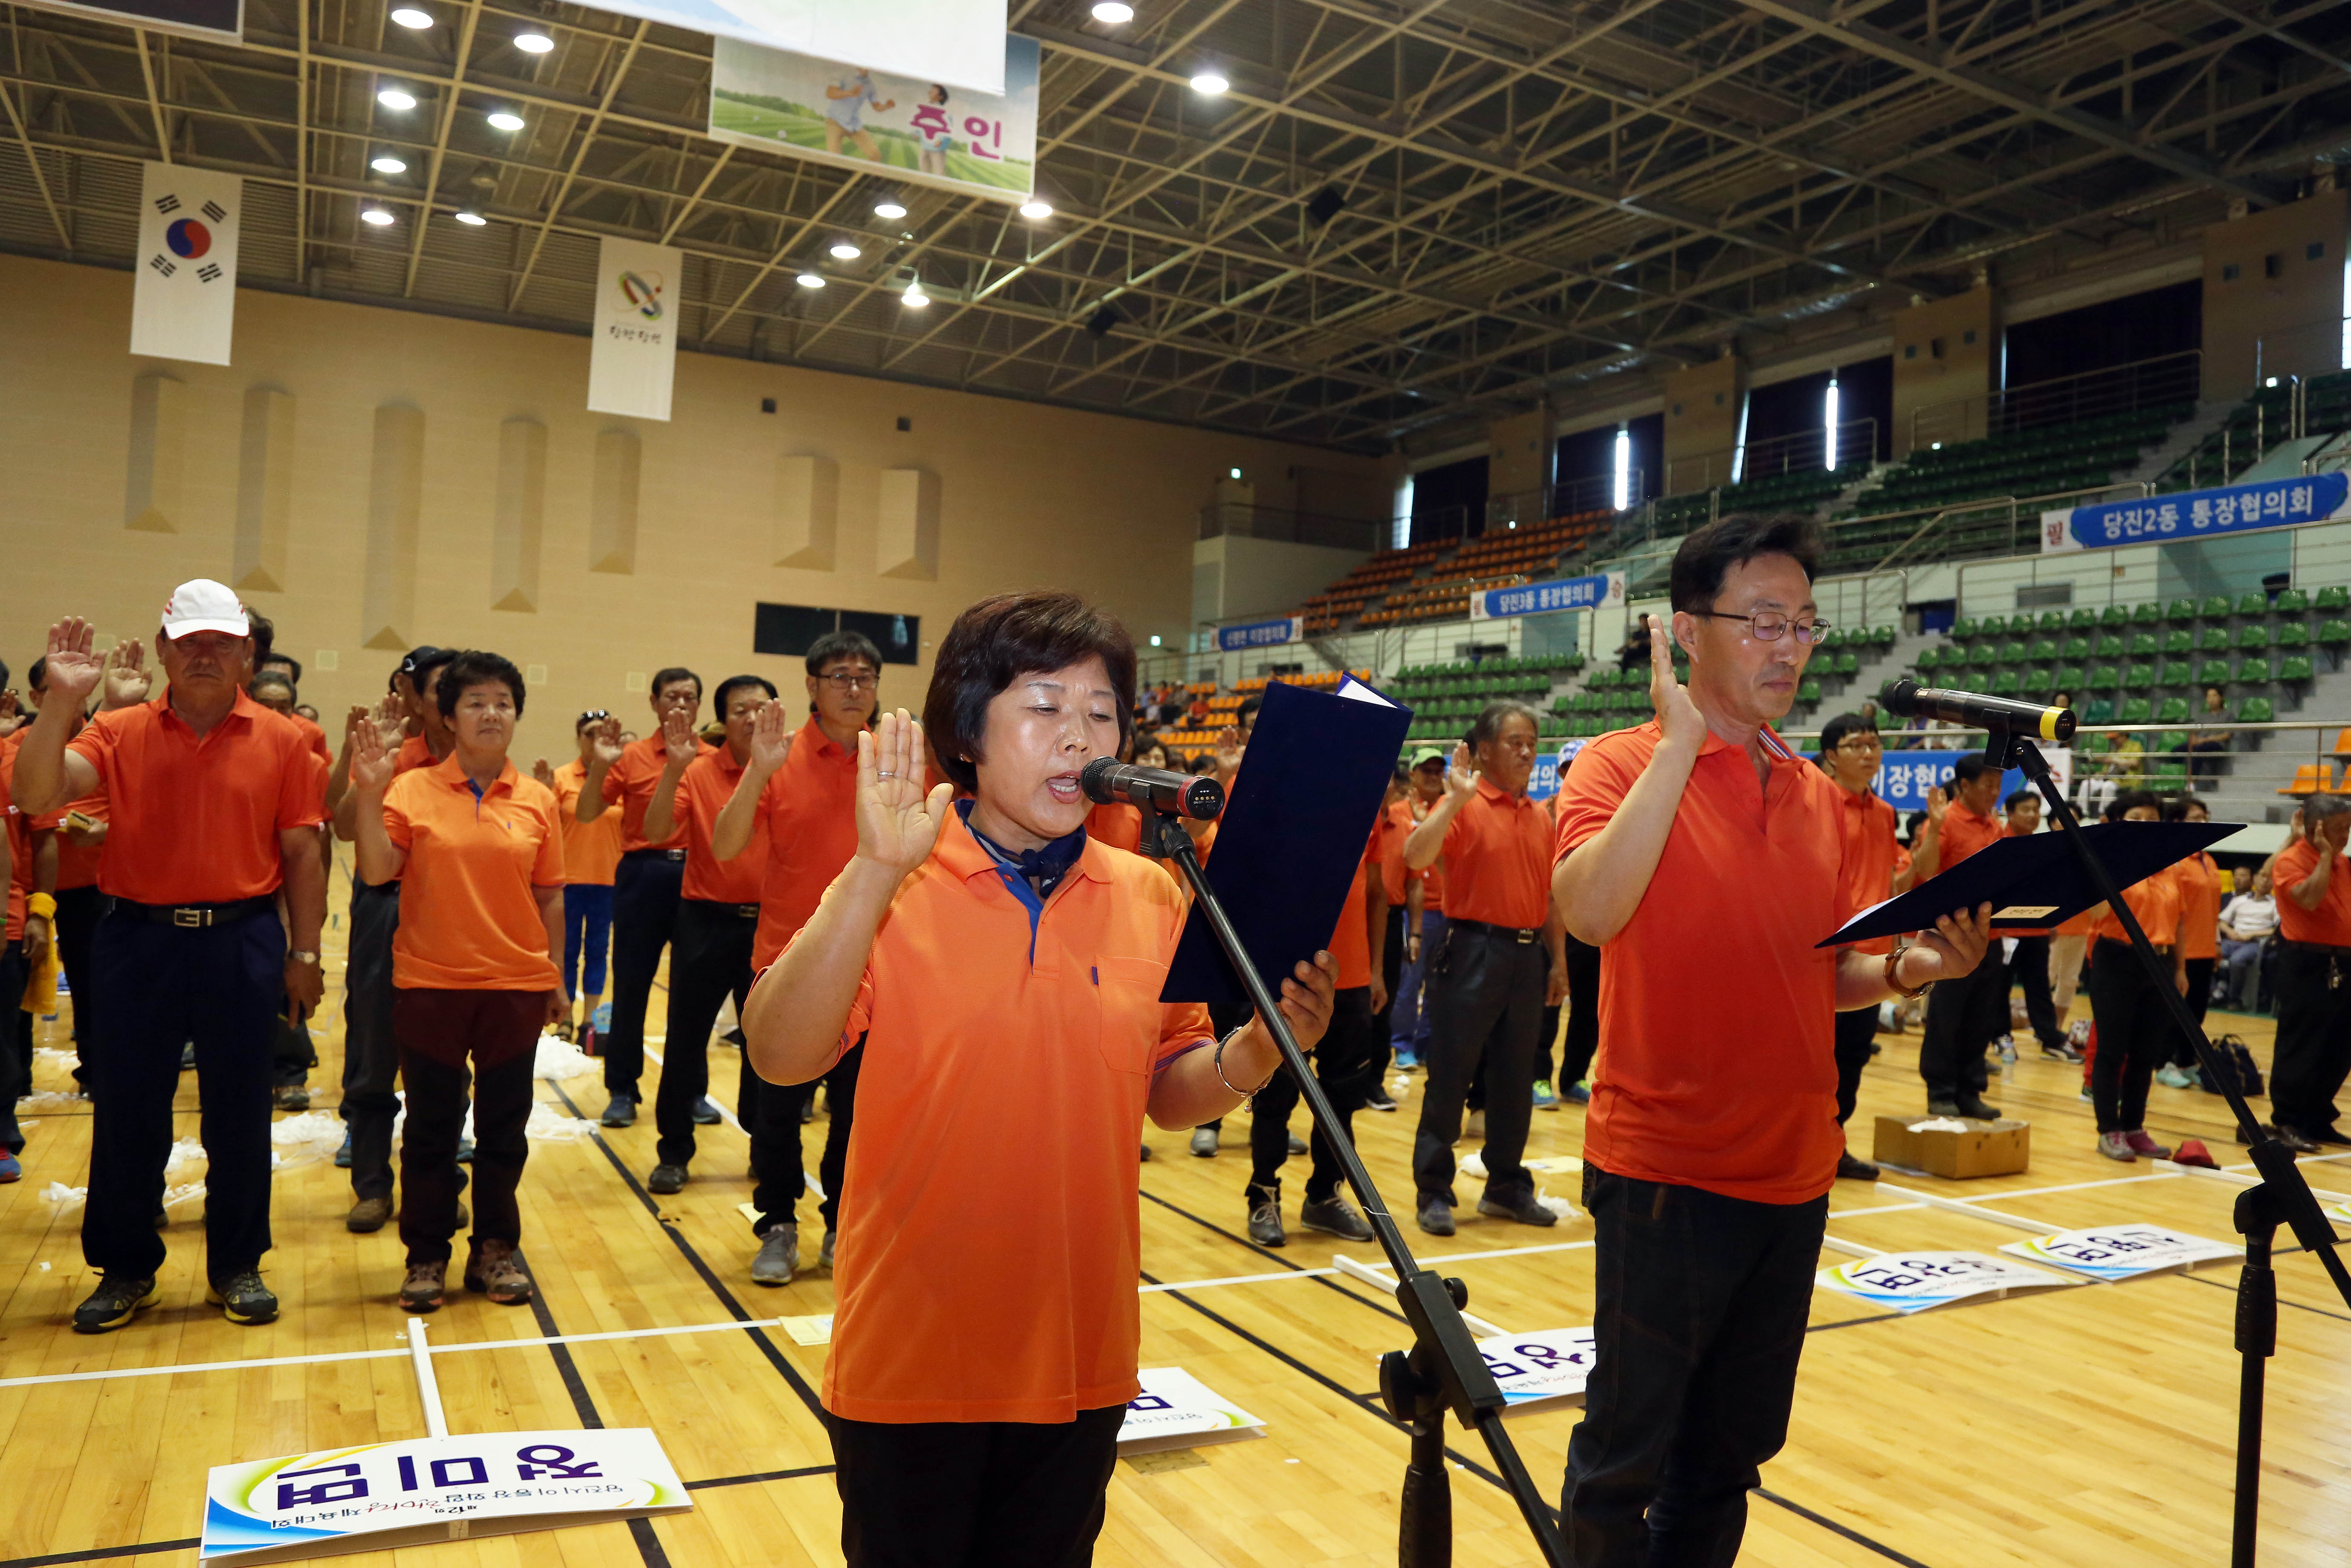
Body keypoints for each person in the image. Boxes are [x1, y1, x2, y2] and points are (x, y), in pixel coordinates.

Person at [742, 590, 1335, 1568]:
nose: (1078, 737)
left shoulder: (1148, 891)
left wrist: (1258, 1054)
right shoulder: (892, 882)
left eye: (1100, 713)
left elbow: (1164, 1086)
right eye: (1045, 707)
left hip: (1080, 1358)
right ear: (968, 730)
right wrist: (871, 875)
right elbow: (779, 1053)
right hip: (914, 1357)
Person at [1550, 516, 1988, 1565]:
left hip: (1791, 1174)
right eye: (1759, 622)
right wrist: (1673, 750)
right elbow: (1588, 910)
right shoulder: (1614, 767)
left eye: (1802, 623)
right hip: (1665, 1168)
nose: (1787, 646)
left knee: (1727, 1458)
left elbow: (1821, 969)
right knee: (1623, 1458)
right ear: (1685, 632)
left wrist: (1908, 969)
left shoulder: (1821, 801)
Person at [17, 586, 328, 1332]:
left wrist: (306, 950)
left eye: (222, 641)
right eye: (189, 641)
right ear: (161, 649)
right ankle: (125, 1268)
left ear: (247, 653)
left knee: (240, 1111)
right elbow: (35, 795)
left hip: (242, 938)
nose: (204, 654)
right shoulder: (119, 731)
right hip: (138, 941)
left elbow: (302, 850)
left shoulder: (287, 740)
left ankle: (238, 1263)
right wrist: (63, 703)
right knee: (128, 1109)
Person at [348, 650, 566, 1309]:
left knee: (505, 1128)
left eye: (503, 701)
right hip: (431, 984)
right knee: (432, 1129)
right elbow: (377, 869)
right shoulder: (408, 788)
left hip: (514, 987)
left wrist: (555, 976)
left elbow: (551, 894)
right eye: (475, 702)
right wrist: (366, 788)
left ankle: (496, 1249)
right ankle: (426, 1255)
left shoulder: (537, 800)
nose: (491, 712)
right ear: (448, 715)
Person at [715, 630, 885, 1280]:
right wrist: (757, 770)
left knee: (858, 1109)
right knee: (777, 1107)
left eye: (865, 676)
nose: (854, 687)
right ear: (811, 685)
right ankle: (778, 1221)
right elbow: (727, 845)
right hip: (784, 963)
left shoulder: (893, 757)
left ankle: (843, 1221)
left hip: (875, 966)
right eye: (839, 675)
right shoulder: (778, 757)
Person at [1401, 700, 1568, 1236]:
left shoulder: (1541, 815)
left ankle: (1506, 1187)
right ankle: (1434, 1190)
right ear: (1486, 751)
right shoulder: (1464, 806)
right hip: (1471, 949)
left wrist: (1559, 962)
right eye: (1516, 741)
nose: (1526, 750)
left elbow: (1551, 897)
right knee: (1451, 1074)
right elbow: (1414, 856)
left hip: (1527, 956)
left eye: (1533, 742)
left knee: (1517, 1079)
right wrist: (1452, 801)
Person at [330, 646, 456, 1232]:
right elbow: (342, 826)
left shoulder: (479, 766)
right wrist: (366, 770)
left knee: (446, 1061)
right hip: (387, 905)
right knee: (375, 1050)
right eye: (434, 689)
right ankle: (372, 1184)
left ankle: (436, 1184)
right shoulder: (393, 753)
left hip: (454, 911)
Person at [639, 674, 777, 1196]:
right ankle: (673, 1151)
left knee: (763, 1045)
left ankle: (765, 1148)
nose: (751, 717)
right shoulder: (697, 771)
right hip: (704, 921)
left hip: (770, 925)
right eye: (741, 709)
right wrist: (673, 771)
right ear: (723, 719)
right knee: (685, 1042)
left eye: (761, 708)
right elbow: (655, 833)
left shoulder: (783, 771)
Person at [1246, 811, 1384, 1247]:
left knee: (1343, 1099)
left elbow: (1377, 892)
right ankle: (1263, 1194)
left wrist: (1377, 968)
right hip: (1289, 976)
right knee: (1275, 1096)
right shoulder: (1280, 799)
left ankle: (1324, 1197)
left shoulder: (1368, 805)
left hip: (1355, 976)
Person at [582, 668, 710, 1128]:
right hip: (643, 874)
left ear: (699, 705)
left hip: (701, 875)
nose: (681, 705)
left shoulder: (713, 758)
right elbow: (586, 811)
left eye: (689, 698)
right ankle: (621, 1088)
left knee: (694, 996)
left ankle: (692, 1091)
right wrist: (600, 764)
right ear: (654, 703)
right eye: (672, 697)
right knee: (632, 986)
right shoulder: (630, 756)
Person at [1815, 711, 1922, 1181]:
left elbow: (1893, 879)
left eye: (1874, 744)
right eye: (1857, 744)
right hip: (1823, 953)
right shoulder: (1815, 804)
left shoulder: (1884, 812)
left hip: (1872, 954)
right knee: (1812, 1061)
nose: (1868, 753)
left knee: (1853, 1058)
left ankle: (1833, 1145)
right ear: (1831, 756)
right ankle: (1802, 1147)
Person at [2084, 790, 2187, 1161]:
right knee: (2112, 1052)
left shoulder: (2171, 864)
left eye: (2151, 817)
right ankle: (2108, 1131)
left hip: (2158, 964)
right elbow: (2095, 914)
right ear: (2119, 823)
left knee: (2146, 1053)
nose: (2145, 824)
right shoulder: (2109, 861)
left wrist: (2180, 968)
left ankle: (2134, 1127)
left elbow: (2179, 919)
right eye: (2136, 817)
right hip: (2117, 959)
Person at [1910, 752, 2009, 1118]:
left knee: (1980, 1018)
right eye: (1988, 786)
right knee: (1946, 1018)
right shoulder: (1945, 821)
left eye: (1998, 786)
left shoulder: (1994, 824)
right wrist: (1934, 828)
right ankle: (1941, 1090)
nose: (1994, 793)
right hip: (1950, 938)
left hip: (1990, 938)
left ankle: (1970, 1090)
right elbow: (1926, 870)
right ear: (1964, 785)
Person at [24, 656, 105, 1099]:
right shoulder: (21, 744)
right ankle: (16, 1083)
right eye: (54, 690)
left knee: (94, 985)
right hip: (28, 885)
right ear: (38, 697)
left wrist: (101, 830)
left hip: (90, 888)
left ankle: (95, 1072)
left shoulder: (101, 741)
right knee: (18, 989)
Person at [2267, 792, 2351, 1151]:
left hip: (2345, 964)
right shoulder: (2290, 862)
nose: (2345, 837)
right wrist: (2325, 856)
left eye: (2348, 829)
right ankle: (2287, 1120)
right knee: (2301, 1043)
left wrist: (2334, 856)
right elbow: (2310, 899)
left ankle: (2316, 1117)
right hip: (2306, 964)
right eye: (2337, 830)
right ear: (2315, 827)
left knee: (2339, 1046)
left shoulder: (2345, 865)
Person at [538, 712, 623, 1040]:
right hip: (568, 881)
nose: (596, 738)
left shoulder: (618, 781)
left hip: (608, 880)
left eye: (603, 733)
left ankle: (592, 1020)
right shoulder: (560, 778)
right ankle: (566, 1017)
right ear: (578, 738)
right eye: (590, 733)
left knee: (600, 952)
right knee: (568, 951)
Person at [1387, 747, 1450, 1072]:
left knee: (1439, 986)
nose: (1434, 776)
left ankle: (1426, 1045)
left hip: (1450, 911)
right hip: (1415, 912)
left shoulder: (1451, 810)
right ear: (1412, 775)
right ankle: (1402, 1045)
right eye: (1427, 770)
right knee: (1409, 983)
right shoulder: (1395, 813)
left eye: (1439, 770)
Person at [2157, 795, 2222, 1087]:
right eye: (2196, 818)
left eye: (2205, 817)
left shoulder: (2208, 860)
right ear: (2177, 823)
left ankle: (2185, 1061)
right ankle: (2164, 1063)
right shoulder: (2173, 861)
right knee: (2172, 1013)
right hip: (2181, 947)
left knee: (2197, 1012)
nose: (2203, 823)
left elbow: (2214, 906)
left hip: (2206, 947)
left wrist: (2217, 941)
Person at [2000, 789, 2069, 1061]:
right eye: (2025, 810)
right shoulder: (1998, 843)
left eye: (2035, 810)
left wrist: (2051, 922)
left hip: (2037, 931)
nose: (2032, 815)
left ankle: (2050, 1038)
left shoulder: (2042, 845)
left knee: (2039, 987)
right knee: (1999, 988)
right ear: (2011, 812)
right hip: (2005, 933)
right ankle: (2000, 1035)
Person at [2218, 865, 2277, 1011]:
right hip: (2232, 939)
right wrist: (2230, 932)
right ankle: (2215, 994)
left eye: (2269, 880)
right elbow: (2223, 922)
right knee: (2210, 955)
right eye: (2262, 878)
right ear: (2255, 880)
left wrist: (2252, 934)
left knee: (2237, 961)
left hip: (2254, 943)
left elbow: (2276, 929)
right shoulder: (2240, 900)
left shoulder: (2275, 904)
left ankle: (2234, 1000)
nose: (2265, 882)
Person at [822, 68, 896, 160]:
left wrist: (886, 106)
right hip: (835, 121)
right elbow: (830, 93)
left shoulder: (870, 86)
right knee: (833, 158)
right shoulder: (844, 75)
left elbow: (876, 107)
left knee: (875, 155)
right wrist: (850, 93)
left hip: (854, 124)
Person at [2186, 686, 2233, 779]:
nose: (2211, 699)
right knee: (2177, 751)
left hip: (2217, 744)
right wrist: (2193, 739)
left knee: (2198, 750)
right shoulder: (2201, 716)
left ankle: (2192, 782)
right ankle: (2176, 781)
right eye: (2209, 696)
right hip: (2200, 743)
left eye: (2214, 696)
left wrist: (2205, 740)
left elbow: (2228, 735)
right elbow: (2193, 731)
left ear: (2221, 698)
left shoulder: (2229, 715)